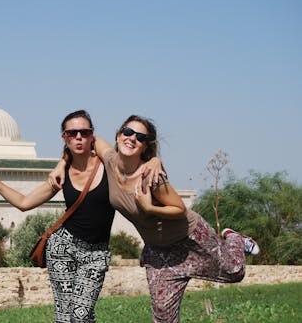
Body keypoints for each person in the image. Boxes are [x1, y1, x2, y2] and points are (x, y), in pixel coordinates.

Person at [50, 114, 260, 323]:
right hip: (159, 252)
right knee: (163, 317)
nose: (132, 138)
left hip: (190, 238)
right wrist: (62, 163)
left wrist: (149, 207)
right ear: (118, 135)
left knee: (235, 271)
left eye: (140, 137)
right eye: (128, 132)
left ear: (145, 147)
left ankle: (235, 239)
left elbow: (179, 208)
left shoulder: (152, 176)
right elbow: (85, 139)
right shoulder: (110, 159)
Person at [0, 110, 162, 323]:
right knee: (65, 316)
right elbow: (24, 203)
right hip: (62, 248)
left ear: (91, 135)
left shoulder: (107, 163)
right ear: (64, 137)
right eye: (72, 133)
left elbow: (133, 158)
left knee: (82, 314)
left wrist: (155, 160)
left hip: (96, 254)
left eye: (84, 132)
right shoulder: (62, 174)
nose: (78, 137)